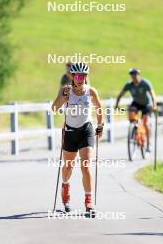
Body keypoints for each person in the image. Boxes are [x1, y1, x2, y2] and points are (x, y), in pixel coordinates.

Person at [52, 62, 104, 215]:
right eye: (78, 76)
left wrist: (100, 125)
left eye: (84, 76)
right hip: (69, 132)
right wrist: (63, 97)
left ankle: (89, 202)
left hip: (86, 131)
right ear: (73, 77)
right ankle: (65, 187)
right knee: (68, 167)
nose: (81, 79)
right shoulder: (66, 90)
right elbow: (54, 109)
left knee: (86, 166)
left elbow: (100, 108)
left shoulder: (91, 91)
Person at [115, 68, 157, 152]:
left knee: (146, 123)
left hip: (146, 104)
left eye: (136, 74)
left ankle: (149, 143)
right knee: (132, 116)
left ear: (139, 75)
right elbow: (120, 95)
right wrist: (117, 105)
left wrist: (154, 105)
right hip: (136, 103)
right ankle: (135, 129)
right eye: (132, 75)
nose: (134, 76)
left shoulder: (145, 83)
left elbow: (153, 95)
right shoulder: (129, 85)